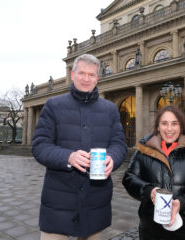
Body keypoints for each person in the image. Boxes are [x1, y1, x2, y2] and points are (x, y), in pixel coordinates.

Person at [32, 54, 127, 240]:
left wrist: (112, 158)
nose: (86, 78)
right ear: (72, 74)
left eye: (91, 75)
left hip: (95, 200)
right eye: (81, 73)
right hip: (58, 201)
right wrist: (68, 157)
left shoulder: (109, 109)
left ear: (97, 78)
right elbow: (40, 145)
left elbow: (119, 144)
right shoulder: (53, 105)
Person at [122, 105, 185, 240]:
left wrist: (183, 202)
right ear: (157, 127)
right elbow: (129, 178)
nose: (169, 129)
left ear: (182, 126)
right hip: (151, 231)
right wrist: (148, 190)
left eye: (174, 124)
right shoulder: (143, 151)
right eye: (164, 123)